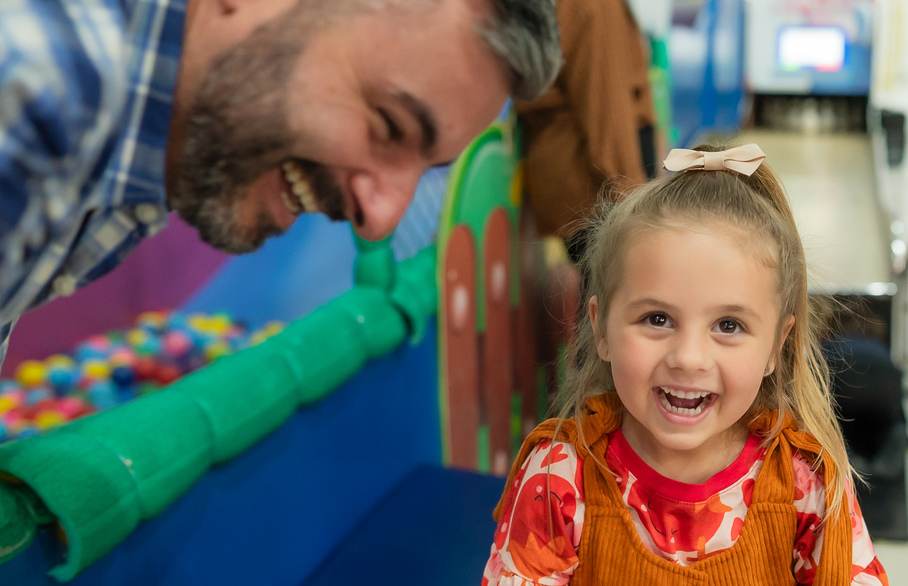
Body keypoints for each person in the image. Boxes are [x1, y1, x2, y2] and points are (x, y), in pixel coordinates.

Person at [478, 143, 896, 586]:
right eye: (656, 319)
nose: (689, 356)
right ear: (602, 325)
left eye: (729, 324)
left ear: (775, 346)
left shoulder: (809, 488)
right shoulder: (560, 475)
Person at [0, 0, 562, 367]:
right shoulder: (42, 86)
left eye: (427, 169)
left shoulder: (153, 153)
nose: (382, 217)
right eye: (387, 124)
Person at [514, 0, 658, 264]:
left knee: (603, 291)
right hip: (596, 187)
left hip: (578, 179)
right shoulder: (595, 5)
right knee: (617, 291)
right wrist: (636, 207)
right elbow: (607, 111)